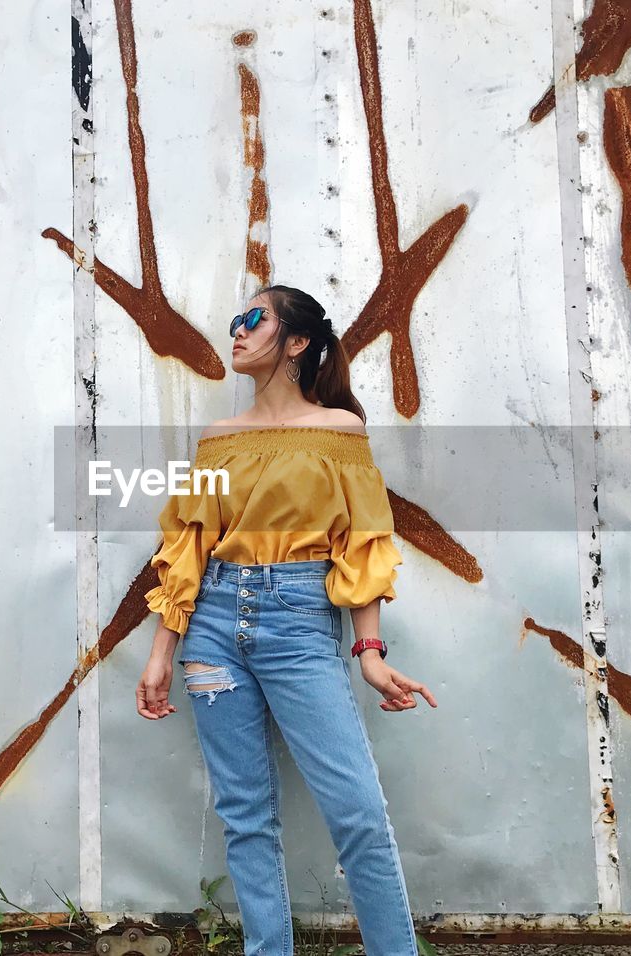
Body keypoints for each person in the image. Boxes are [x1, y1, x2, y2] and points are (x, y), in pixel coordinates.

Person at [136, 284, 437, 956]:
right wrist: (162, 652)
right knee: (245, 818)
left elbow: (361, 544)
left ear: (297, 342)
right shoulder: (218, 441)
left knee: (358, 813)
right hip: (212, 624)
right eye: (235, 318)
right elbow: (187, 548)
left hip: (299, 623)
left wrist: (370, 652)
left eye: (253, 319)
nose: (235, 331)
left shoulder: (339, 432)